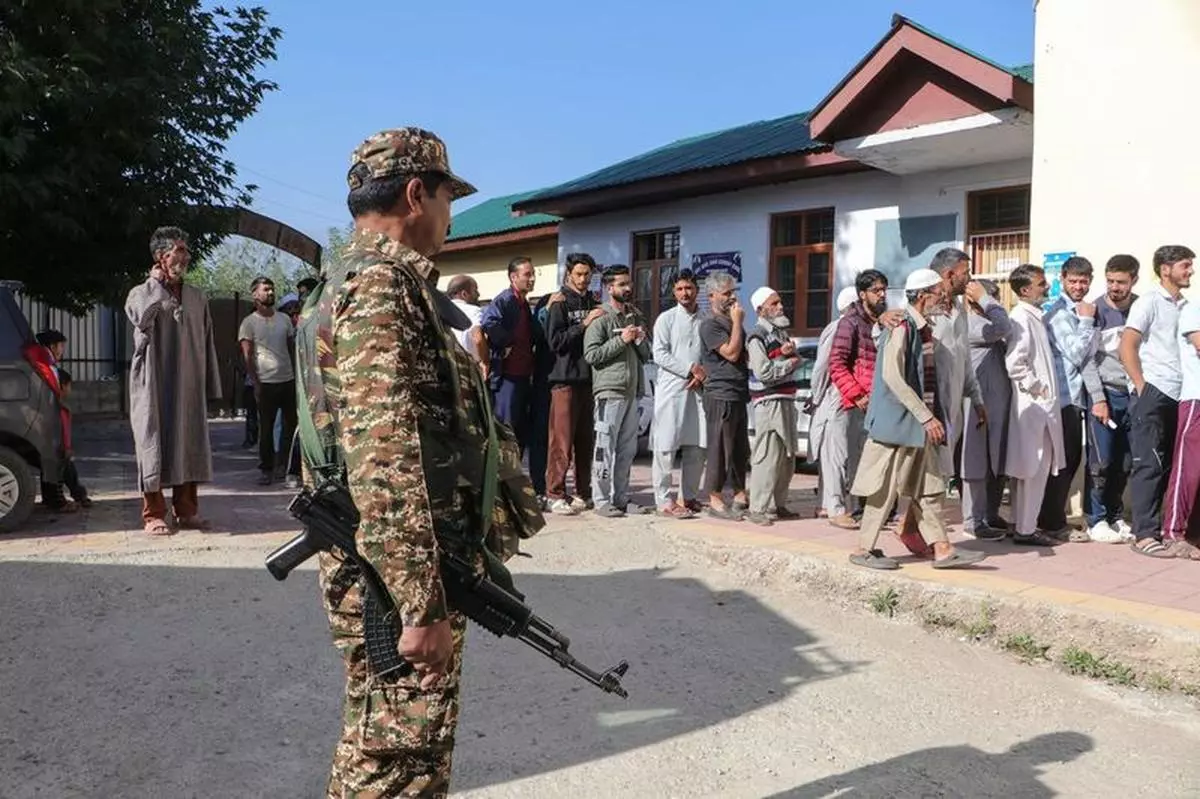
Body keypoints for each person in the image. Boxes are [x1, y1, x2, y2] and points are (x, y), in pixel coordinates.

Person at [308, 126, 500, 795]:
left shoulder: (354, 282)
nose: (451, 215)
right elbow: (384, 453)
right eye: (448, 197)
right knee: (395, 754)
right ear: (417, 194)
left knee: (397, 745)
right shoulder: (384, 289)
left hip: (391, 562)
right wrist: (419, 604)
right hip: (394, 576)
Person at [847, 268, 985, 571]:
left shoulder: (921, 326)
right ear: (923, 295)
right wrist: (926, 417)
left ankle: (943, 548)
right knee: (882, 490)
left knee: (931, 487)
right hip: (896, 426)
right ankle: (863, 548)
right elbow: (893, 377)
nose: (943, 296)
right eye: (938, 291)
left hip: (919, 426)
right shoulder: (902, 325)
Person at [125, 226, 221, 537]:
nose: (186, 256)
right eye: (179, 250)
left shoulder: (196, 296)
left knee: (188, 441)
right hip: (154, 383)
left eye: (186, 250)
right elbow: (141, 318)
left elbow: (207, 341)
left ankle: (187, 511)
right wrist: (154, 283)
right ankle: (153, 514)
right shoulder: (140, 293)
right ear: (160, 256)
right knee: (153, 442)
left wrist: (211, 385)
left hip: (189, 384)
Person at [1119, 245, 1194, 558]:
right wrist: (1141, 387)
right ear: (1166, 269)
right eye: (1185, 266)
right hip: (1154, 391)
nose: (1190, 271)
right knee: (1148, 463)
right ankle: (1144, 534)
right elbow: (1127, 346)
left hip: (1180, 392)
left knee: (1170, 466)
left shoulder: (1187, 306)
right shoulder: (1149, 302)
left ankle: (1168, 531)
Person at [828, 269, 897, 530]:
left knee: (882, 459)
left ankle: (881, 510)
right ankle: (856, 510)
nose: (881, 295)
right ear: (862, 294)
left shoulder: (884, 320)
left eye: (884, 290)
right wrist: (857, 395)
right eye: (876, 290)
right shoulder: (851, 323)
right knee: (858, 459)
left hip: (884, 400)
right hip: (860, 402)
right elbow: (837, 364)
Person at [583, 265, 652, 517]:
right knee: (604, 447)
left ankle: (621, 498)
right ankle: (601, 501)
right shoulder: (600, 317)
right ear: (609, 288)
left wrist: (639, 339)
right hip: (609, 391)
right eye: (622, 284)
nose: (628, 288)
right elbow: (591, 355)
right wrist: (620, 340)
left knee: (627, 449)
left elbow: (647, 356)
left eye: (629, 283)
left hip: (633, 391)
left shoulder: (635, 316)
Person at [1004, 264, 1064, 547]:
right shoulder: (1021, 317)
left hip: (1039, 406)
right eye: (1042, 284)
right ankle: (1026, 530)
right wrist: (1039, 389)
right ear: (1026, 290)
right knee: (1033, 467)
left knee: (1033, 468)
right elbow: (1015, 363)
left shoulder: (1034, 316)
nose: (1047, 288)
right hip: (1034, 406)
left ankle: (1023, 525)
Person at [1080, 255, 1139, 543]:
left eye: (1121, 282)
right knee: (1100, 460)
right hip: (1105, 394)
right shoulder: (1096, 310)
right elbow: (1087, 359)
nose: (1115, 287)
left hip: (1134, 396)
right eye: (1110, 281)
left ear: (1133, 281)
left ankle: (1116, 517)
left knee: (1125, 461)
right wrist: (1098, 398)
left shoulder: (1141, 309)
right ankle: (1095, 519)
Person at [1039, 256, 1098, 539]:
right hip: (1063, 398)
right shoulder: (1060, 312)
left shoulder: (1076, 309)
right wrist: (1087, 321)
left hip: (1076, 396)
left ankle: (1051, 518)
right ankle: (1052, 522)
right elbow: (1075, 353)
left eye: (1083, 281)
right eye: (1073, 281)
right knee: (1064, 461)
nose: (1078, 286)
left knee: (1071, 459)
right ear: (1062, 279)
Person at [544, 253, 602, 515]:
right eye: (578, 274)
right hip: (564, 380)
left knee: (585, 441)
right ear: (568, 274)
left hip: (588, 380)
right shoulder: (559, 302)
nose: (583, 279)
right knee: (561, 442)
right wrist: (584, 324)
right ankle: (554, 493)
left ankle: (582, 492)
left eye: (587, 274)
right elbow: (555, 342)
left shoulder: (593, 300)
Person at [650, 270, 707, 518]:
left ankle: (690, 496)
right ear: (674, 292)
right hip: (672, 389)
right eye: (680, 289)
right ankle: (663, 500)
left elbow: (710, 354)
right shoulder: (666, 319)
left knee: (697, 445)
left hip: (698, 390)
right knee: (666, 445)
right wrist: (688, 370)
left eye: (689, 288)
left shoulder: (705, 320)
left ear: (697, 290)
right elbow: (659, 354)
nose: (685, 293)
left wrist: (701, 374)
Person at [745, 286, 804, 526]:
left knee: (786, 457)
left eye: (780, 302)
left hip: (785, 399)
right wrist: (790, 363)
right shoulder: (757, 336)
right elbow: (764, 372)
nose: (780, 307)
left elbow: (777, 358)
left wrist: (785, 353)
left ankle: (777, 505)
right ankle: (758, 508)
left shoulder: (780, 333)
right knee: (768, 456)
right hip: (769, 402)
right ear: (761, 310)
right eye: (774, 303)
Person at [959, 280, 1011, 539]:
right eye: (990, 300)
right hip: (977, 406)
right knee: (975, 462)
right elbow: (1003, 325)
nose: (995, 305)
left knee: (996, 461)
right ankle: (973, 521)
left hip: (998, 405)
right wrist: (984, 299)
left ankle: (990, 514)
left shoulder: (988, 325)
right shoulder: (970, 324)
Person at [699, 272, 750, 520]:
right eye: (727, 293)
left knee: (740, 447)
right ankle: (715, 497)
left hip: (738, 391)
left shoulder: (731, 320)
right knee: (720, 447)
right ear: (712, 296)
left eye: (733, 292)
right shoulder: (711, 324)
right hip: (720, 393)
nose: (732, 298)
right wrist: (738, 322)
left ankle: (739, 492)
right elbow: (730, 353)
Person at [238, 276, 298, 488]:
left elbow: (291, 349)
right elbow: (247, 356)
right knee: (266, 428)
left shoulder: (284, 320)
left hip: (288, 380)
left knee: (291, 427)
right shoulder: (249, 323)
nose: (270, 293)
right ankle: (266, 469)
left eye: (272, 289)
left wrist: (297, 376)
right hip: (265, 383)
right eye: (265, 290)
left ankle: (287, 467)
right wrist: (255, 383)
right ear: (255, 294)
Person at [808, 286, 858, 519]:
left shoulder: (861, 326)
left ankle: (836, 505)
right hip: (835, 397)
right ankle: (834, 508)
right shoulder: (837, 328)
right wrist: (817, 397)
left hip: (853, 400)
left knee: (845, 455)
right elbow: (822, 367)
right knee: (834, 457)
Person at [481, 257, 538, 455]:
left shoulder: (523, 303)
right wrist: (506, 343)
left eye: (533, 274)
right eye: (527, 275)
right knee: (506, 430)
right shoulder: (505, 300)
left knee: (521, 431)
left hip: (524, 375)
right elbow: (488, 322)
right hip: (507, 376)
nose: (532, 279)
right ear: (514, 277)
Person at [1163, 293, 1200, 560]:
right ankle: (1173, 532)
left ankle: (1194, 534)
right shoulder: (1194, 309)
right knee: (1189, 470)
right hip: (1196, 399)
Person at [446, 274, 486, 362]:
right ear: (464, 294)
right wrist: (484, 362)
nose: (478, 295)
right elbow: (478, 338)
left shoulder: (439, 311)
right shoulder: (473, 311)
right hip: (469, 365)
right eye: (475, 291)